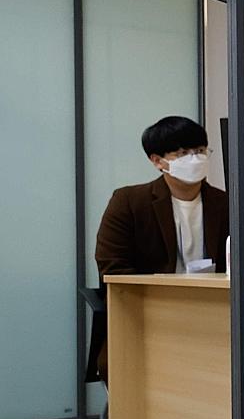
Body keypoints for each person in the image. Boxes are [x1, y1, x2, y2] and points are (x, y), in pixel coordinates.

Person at [94, 117, 229, 380]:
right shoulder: (129, 202)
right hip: (151, 318)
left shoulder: (225, 203)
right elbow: (112, 267)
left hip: (213, 314)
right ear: (158, 161)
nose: (194, 159)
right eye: (181, 153)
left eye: (200, 151)